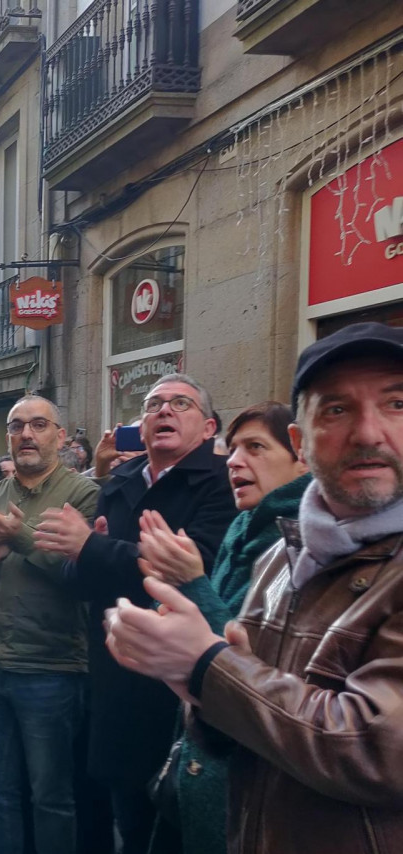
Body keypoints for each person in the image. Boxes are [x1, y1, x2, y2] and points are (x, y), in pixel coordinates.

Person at [105, 322, 403, 854]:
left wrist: (206, 664)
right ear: (303, 442)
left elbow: (378, 749)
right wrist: (193, 684)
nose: (367, 432)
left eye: (396, 403)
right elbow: (243, 722)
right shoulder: (280, 559)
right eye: (335, 409)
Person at [34, 374, 237, 854]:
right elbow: (84, 580)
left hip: (179, 688)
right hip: (116, 681)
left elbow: (192, 568)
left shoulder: (221, 483)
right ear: (141, 428)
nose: (164, 410)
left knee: (175, 826)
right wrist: (80, 555)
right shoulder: (121, 480)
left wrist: (94, 547)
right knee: (127, 814)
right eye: (153, 404)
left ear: (208, 428)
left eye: (180, 403)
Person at [135, 402, 309, 854]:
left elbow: (249, 659)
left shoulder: (302, 541)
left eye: (255, 447)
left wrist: (190, 582)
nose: (233, 461)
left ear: (302, 454)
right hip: (202, 757)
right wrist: (169, 596)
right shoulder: (245, 527)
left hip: (247, 783)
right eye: (232, 449)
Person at [0, 395, 101, 854]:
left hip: (50, 667)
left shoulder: (82, 494)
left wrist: (17, 537)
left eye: (38, 425)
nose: (26, 435)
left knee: (51, 796)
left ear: (59, 434)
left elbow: (82, 572)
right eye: (17, 427)